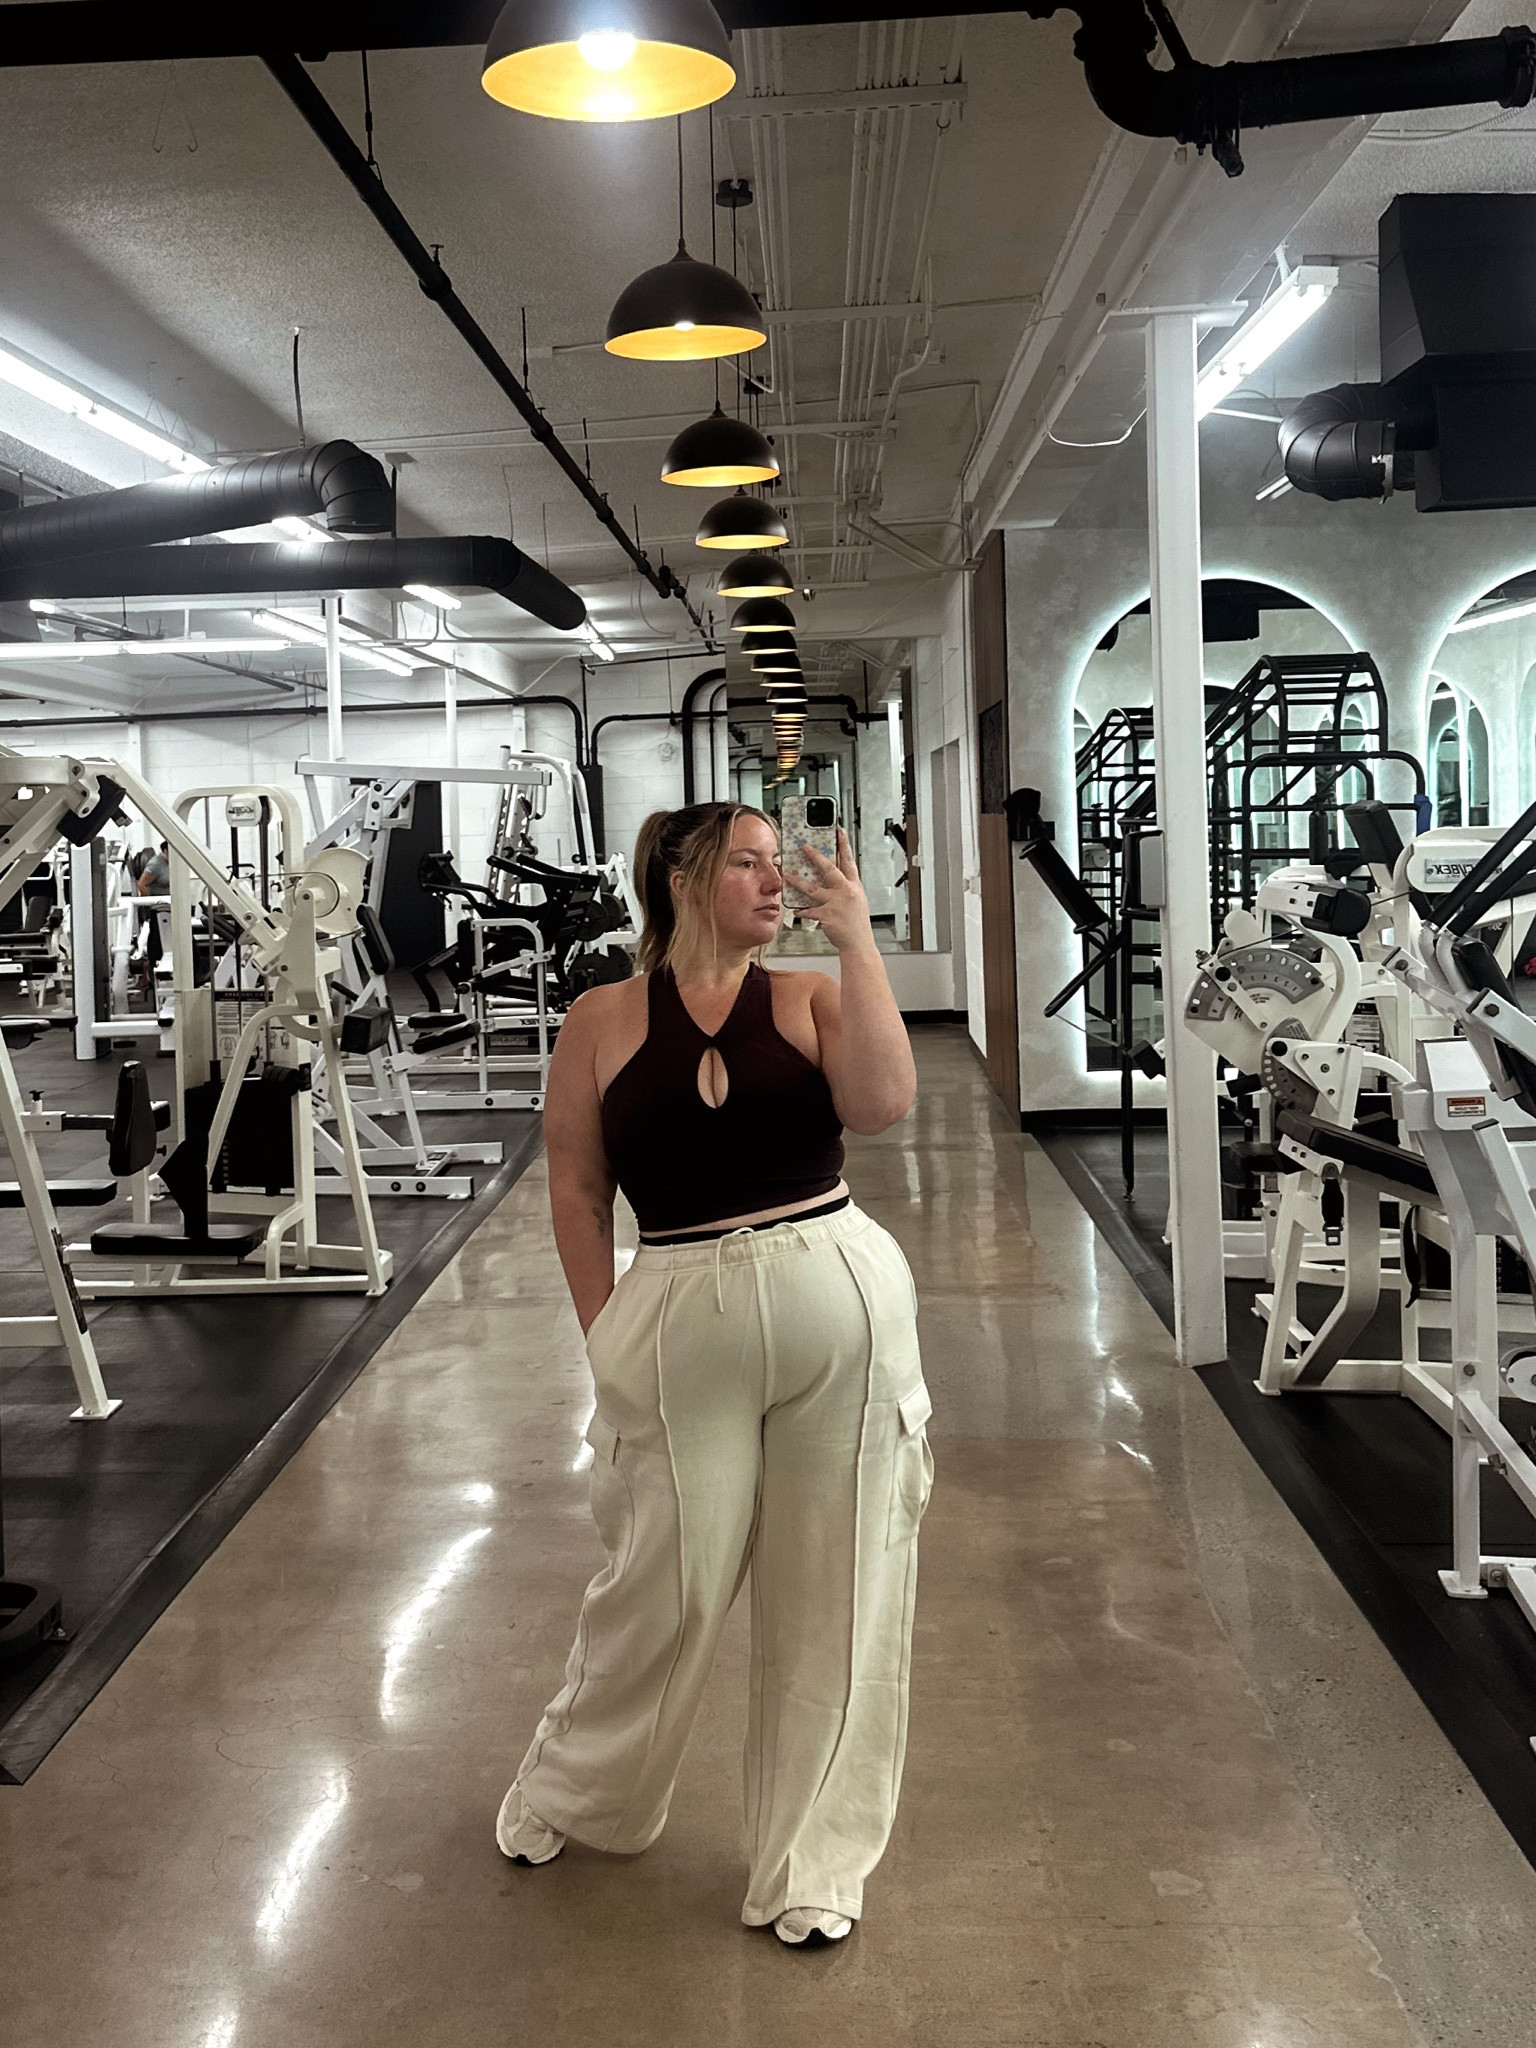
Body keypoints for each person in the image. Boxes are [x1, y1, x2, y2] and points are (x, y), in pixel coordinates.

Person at [497, 800, 930, 1948]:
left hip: (835, 1288)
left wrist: (859, 940)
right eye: (748, 863)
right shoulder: (600, 1018)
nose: (775, 881)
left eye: (776, 863)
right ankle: (574, 1787)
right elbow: (577, 1187)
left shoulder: (808, 995)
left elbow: (882, 1103)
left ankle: (811, 1863)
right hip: (678, 1302)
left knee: (838, 1588)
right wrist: (605, 1336)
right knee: (662, 1582)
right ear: (683, 879)